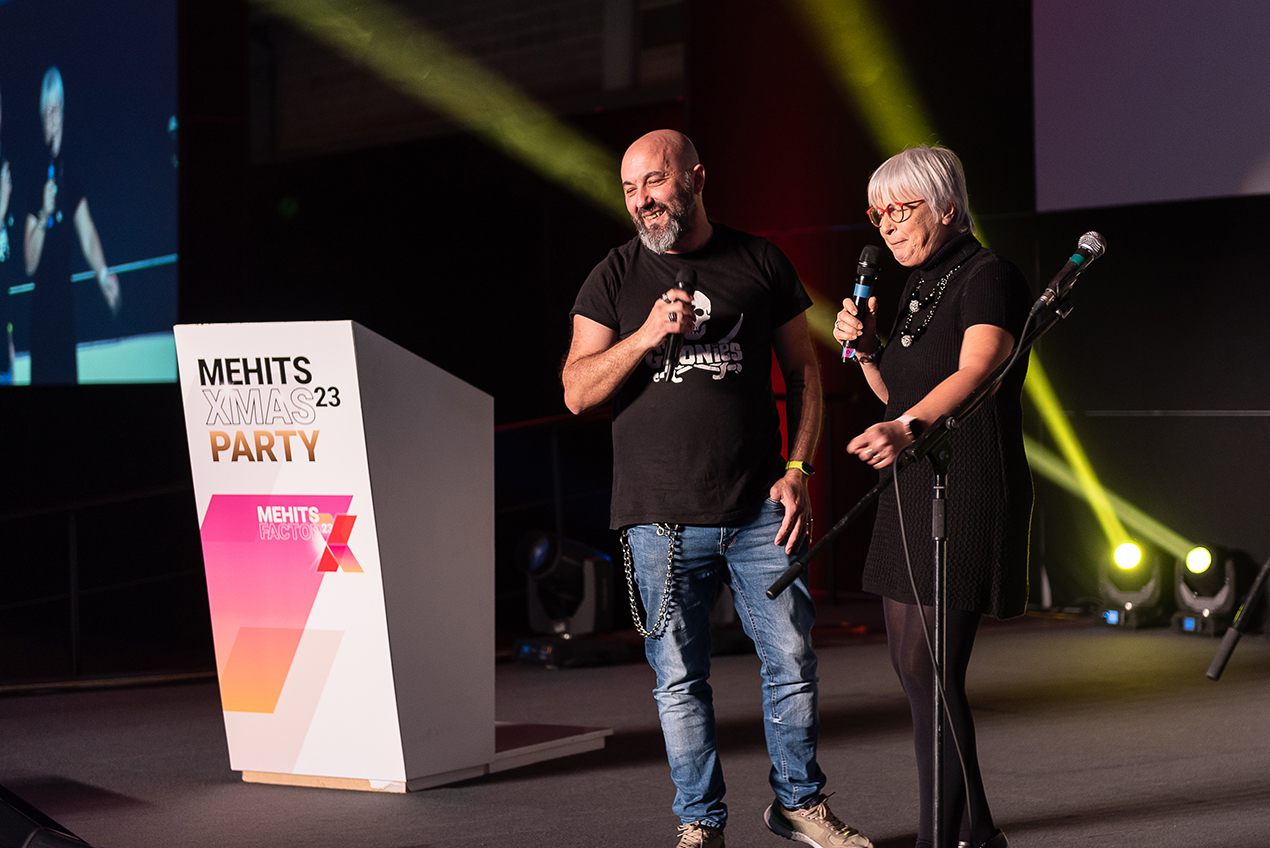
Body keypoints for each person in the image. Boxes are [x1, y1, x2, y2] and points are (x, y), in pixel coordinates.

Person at [563, 130, 871, 848]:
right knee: (678, 680)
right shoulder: (613, 277)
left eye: (655, 182)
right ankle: (700, 821)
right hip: (658, 519)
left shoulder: (760, 261)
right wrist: (644, 335)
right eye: (630, 188)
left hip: (760, 510)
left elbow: (804, 375)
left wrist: (798, 470)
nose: (642, 200)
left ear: (697, 179)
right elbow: (576, 391)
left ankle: (799, 805)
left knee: (792, 661)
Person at [833, 145, 1031, 848]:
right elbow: (901, 391)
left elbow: (981, 369)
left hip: (965, 480)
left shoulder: (987, 275)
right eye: (877, 212)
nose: (887, 223)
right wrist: (867, 350)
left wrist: (906, 427)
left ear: (947, 208)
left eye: (900, 208)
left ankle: (939, 839)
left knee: (932, 669)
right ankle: (977, 832)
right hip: (914, 479)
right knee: (918, 672)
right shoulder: (919, 285)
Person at [24, 66, 120, 385]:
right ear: (41, 116)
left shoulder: (71, 166)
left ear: (64, 111)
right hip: (42, 312)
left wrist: (103, 275)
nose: (52, 115)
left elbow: (87, 230)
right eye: (47, 109)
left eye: (57, 107)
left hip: (66, 308)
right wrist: (43, 213)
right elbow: (29, 263)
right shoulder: (35, 170)